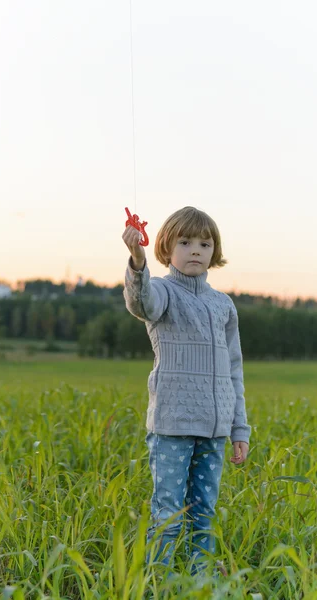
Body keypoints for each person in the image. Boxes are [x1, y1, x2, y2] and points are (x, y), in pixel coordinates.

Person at [122, 205, 251, 579]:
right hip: (173, 426)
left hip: (215, 430)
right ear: (166, 247)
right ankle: (158, 581)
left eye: (205, 243)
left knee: (204, 512)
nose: (196, 250)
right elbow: (140, 302)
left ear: (215, 251)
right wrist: (136, 261)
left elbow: (234, 370)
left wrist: (239, 429)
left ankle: (200, 581)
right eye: (185, 241)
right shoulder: (161, 292)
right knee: (168, 511)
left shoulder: (223, 305)